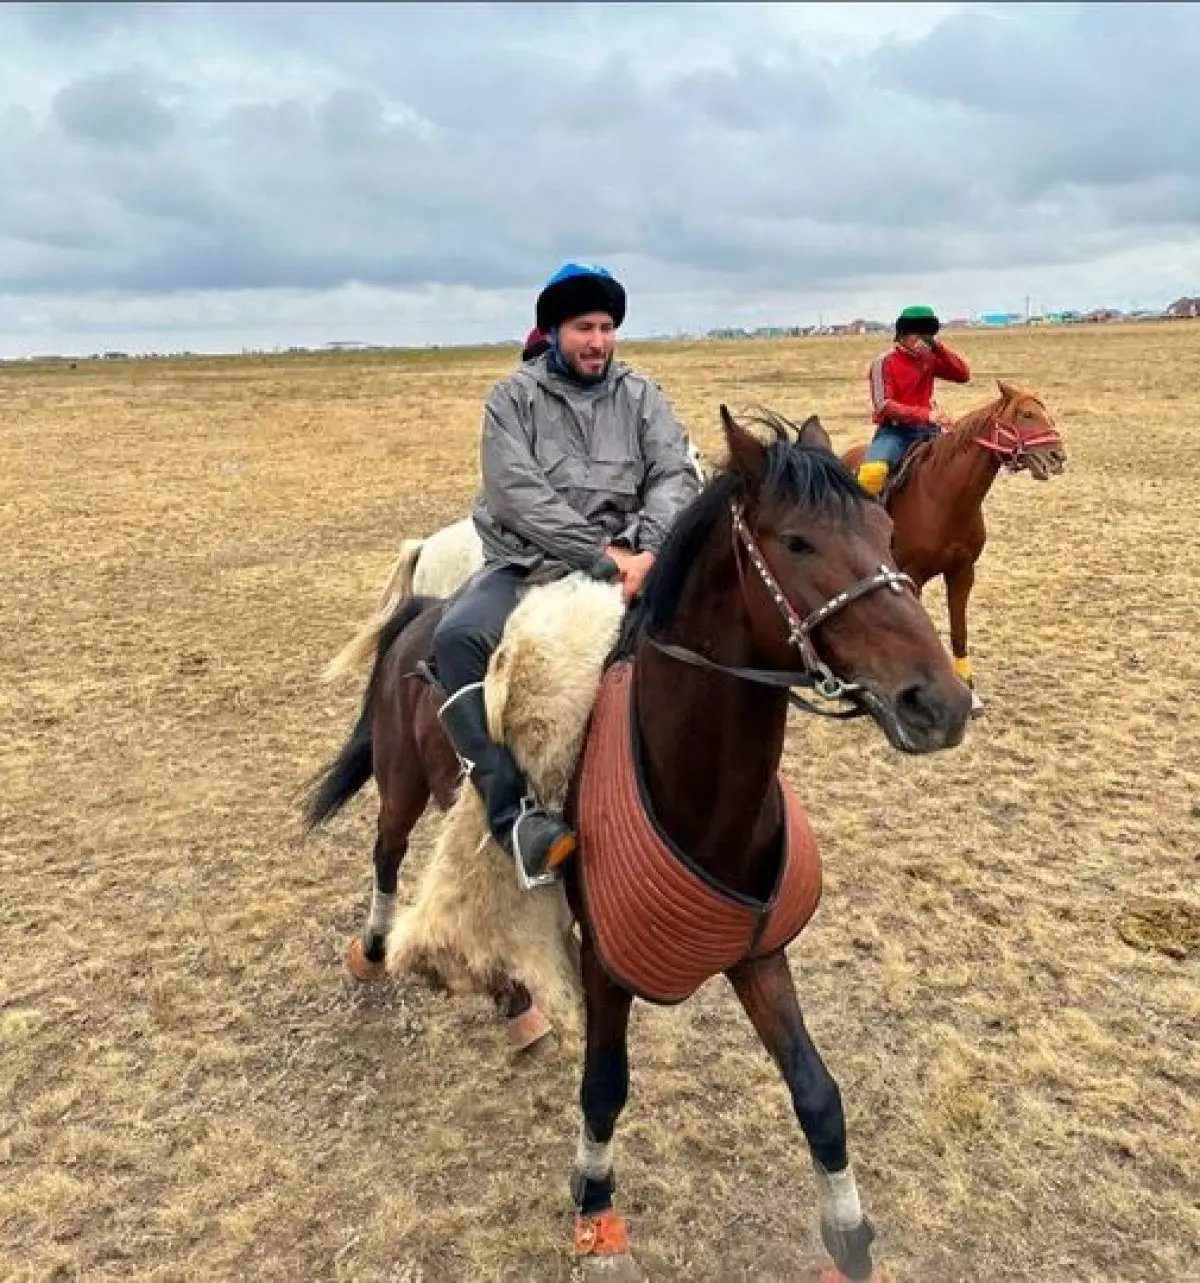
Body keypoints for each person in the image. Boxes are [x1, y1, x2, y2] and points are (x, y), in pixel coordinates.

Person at [431, 263, 702, 888]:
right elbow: (515, 492)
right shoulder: (512, 400)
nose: (598, 342)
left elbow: (673, 475)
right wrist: (599, 556)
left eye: (608, 328)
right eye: (584, 327)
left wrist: (647, 551)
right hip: (527, 567)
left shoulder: (642, 396)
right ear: (553, 331)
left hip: (634, 562)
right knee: (455, 639)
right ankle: (515, 820)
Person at [856, 305, 971, 497]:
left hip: (930, 431)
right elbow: (883, 404)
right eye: (917, 334)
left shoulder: (929, 358)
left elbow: (962, 375)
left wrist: (938, 348)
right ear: (903, 334)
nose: (922, 340)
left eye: (927, 335)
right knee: (871, 474)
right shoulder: (884, 362)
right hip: (895, 432)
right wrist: (927, 414)